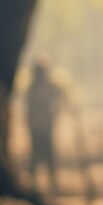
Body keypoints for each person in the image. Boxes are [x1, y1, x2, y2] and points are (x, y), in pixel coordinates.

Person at [26, 54, 62, 195]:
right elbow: (28, 107)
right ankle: (33, 185)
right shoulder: (32, 88)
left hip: (46, 125)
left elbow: (57, 103)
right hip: (37, 125)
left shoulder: (50, 87)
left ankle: (52, 185)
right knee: (35, 154)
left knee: (48, 154)